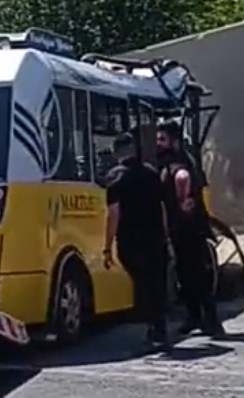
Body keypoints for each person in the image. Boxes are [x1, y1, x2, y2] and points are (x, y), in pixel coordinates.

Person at [102, 131, 171, 347]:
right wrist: (166, 235)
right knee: (156, 281)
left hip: (131, 238)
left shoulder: (115, 176)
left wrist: (107, 246)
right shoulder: (151, 173)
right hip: (155, 236)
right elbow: (163, 208)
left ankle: (154, 328)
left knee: (142, 282)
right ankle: (158, 327)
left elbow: (114, 213)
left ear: (116, 153)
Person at [157, 121, 224, 338]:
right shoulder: (176, 159)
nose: (159, 144)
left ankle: (210, 320)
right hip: (183, 228)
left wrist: (182, 200)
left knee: (197, 274)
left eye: (163, 139)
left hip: (189, 228)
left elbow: (183, 178)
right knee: (186, 275)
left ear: (174, 140)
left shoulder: (179, 161)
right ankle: (195, 317)